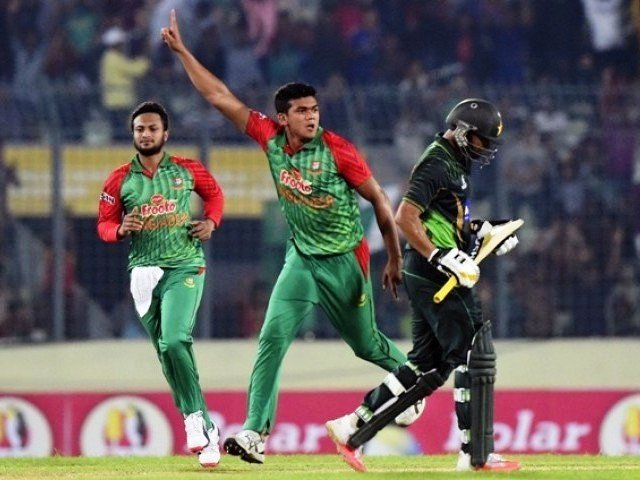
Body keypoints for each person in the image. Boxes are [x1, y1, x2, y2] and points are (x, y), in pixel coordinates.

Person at [161, 9, 422, 464]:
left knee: (365, 344)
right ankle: (254, 435)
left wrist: (395, 259)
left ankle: (410, 380)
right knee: (271, 340)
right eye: (301, 111)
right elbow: (219, 95)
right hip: (301, 259)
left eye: (314, 109)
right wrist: (184, 52)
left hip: (345, 261)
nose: (311, 117)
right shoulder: (269, 138)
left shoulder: (338, 150)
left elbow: (381, 201)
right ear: (282, 118)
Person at [325, 99, 522, 472]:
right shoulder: (438, 162)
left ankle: (353, 426)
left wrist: (484, 232)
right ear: (463, 133)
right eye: (480, 141)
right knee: (472, 351)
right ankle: (474, 453)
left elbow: (445, 221)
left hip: (428, 269)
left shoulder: (452, 162)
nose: (484, 149)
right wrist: (440, 257)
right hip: (434, 272)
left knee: (426, 366)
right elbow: (406, 217)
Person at [97, 101, 224, 468]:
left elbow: (214, 196)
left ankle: (193, 420)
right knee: (168, 354)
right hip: (142, 273)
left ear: (165, 134)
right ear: (133, 134)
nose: (146, 134)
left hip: (185, 264)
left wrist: (211, 223)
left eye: (152, 128)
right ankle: (204, 425)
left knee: (175, 339)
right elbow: (103, 224)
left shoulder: (188, 169)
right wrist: (121, 229)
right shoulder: (119, 179)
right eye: (140, 129)